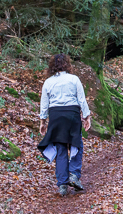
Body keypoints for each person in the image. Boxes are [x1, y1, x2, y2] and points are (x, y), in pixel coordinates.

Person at [37, 53, 91, 196]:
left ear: (52, 66)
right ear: (67, 64)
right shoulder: (74, 79)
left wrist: (43, 121)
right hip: (72, 114)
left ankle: (62, 184)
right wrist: (87, 116)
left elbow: (44, 104)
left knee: (60, 149)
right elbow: (81, 99)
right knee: (76, 144)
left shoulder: (48, 82)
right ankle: (73, 174)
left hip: (56, 116)